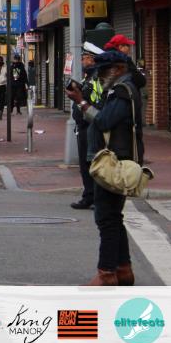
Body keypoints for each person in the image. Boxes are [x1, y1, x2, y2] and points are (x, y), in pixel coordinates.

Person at [65, 50, 144, 286]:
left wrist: (81, 102)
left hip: (113, 162)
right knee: (113, 217)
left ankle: (106, 273)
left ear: (119, 69)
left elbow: (103, 120)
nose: (99, 76)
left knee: (106, 218)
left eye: (103, 71)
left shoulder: (122, 92)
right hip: (114, 159)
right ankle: (123, 269)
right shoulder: (121, 89)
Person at [69, 45, 102, 210]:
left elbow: (96, 102)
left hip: (91, 125)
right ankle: (88, 196)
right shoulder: (87, 78)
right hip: (82, 126)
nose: (82, 61)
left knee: (92, 163)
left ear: (93, 59)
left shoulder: (97, 79)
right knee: (84, 164)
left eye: (85, 58)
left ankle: (96, 198)